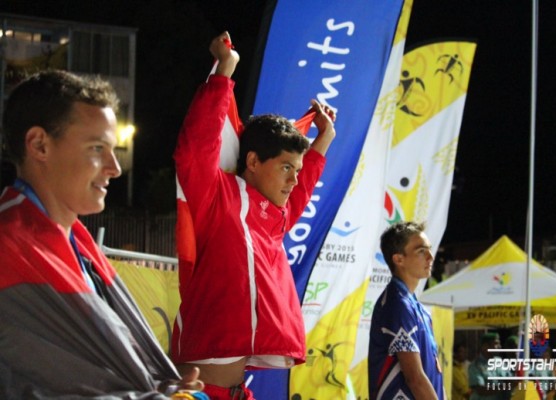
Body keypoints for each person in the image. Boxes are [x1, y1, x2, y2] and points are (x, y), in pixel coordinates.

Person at [0, 70, 203, 398]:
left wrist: (166, 387)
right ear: (39, 145)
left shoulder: (79, 245)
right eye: (97, 148)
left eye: (113, 148)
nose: (115, 168)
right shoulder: (8, 245)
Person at [171, 32, 336, 399]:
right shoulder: (219, 198)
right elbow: (195, 150)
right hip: (198, 392)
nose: (294, 180)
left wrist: (323, 140)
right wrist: (224, 72)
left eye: (297, 169)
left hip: (238, 392)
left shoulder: (274, 220)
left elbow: (301, 190)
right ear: (253, 161)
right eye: (286, 168)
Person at [368, 221, 444, 399]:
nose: (430, 257)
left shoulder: (415, 307)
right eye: (421, 251)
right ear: (399, 259)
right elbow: (415, 378)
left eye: (429, 249)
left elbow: (434, 372)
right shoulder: (398, 304)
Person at [468, 332, 512, 400]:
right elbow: (481, 390)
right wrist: (505, 387)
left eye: (499, 344)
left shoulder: (500, 361)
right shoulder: (475, 366)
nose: (499, 346)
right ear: (485, 346)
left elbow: (509, 379)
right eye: (496, 344)